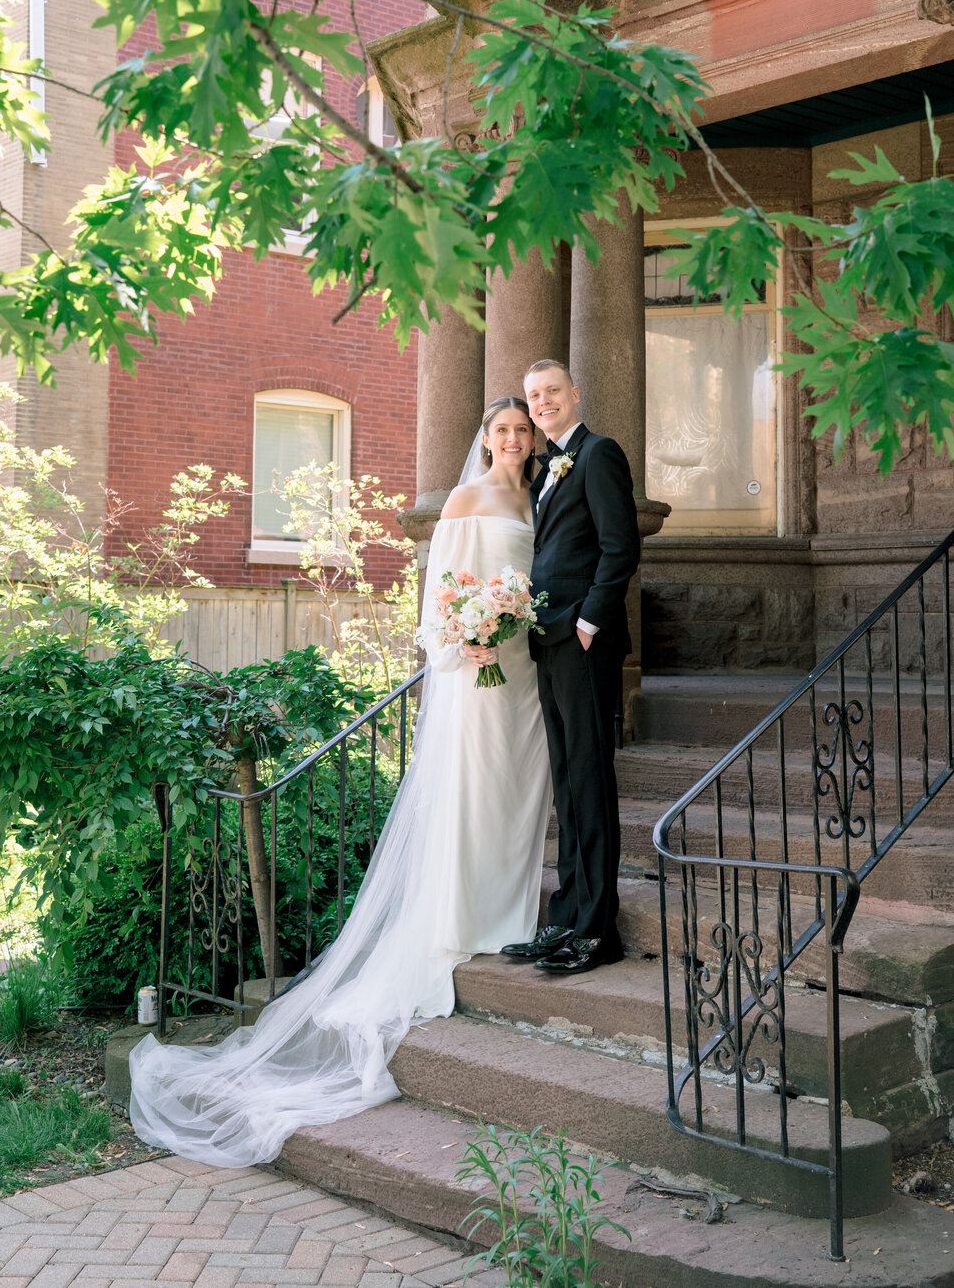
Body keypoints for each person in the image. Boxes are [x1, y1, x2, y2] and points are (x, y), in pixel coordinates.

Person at [127, 396, 552, 1166]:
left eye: (524, 430)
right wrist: (466, 643)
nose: (515, 440)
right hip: (475, 671)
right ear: (485, 438)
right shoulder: (467, 497)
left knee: (520, 796)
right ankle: (463, 924)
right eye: (504, 430)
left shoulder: (536, 494)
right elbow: (442, 594)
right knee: (472, 792)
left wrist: (509, 633)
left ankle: (508, 914)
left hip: (523, 671)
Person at [499, 360, 640, 977]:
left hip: (583, 639)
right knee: (564, 780)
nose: (544, 402)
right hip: (546, 638)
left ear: (574, 393)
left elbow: (620, 546)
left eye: (552, 391)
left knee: (589, 777)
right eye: (535, 396)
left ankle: (596, 930)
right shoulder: (546, 470)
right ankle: (565, 917)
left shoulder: (599, 454)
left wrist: (589, 621)